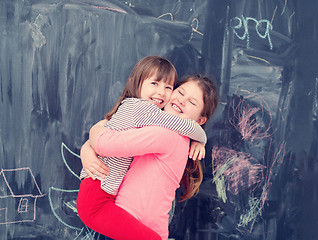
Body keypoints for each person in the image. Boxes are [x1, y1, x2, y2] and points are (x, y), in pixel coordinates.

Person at [77, 75, 219, 240]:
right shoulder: (168, 132)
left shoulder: (167, 135)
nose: (181, 100)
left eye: (192, 102)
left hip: (132, 224)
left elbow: (105, 144)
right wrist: (87, 148)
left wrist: (89, 145)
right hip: (133, 225)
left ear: (200, 120)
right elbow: (113, 129)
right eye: (180, 92)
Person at [79, 56, 207, 196]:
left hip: (106, 186)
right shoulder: (144, 110)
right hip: (101, 184)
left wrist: (87, 147)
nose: (161, 92)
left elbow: (104, 128)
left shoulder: (138, 110)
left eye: (168, 87)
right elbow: (187, 126)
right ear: (135, 83)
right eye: (154, 83)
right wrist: (201, 138)